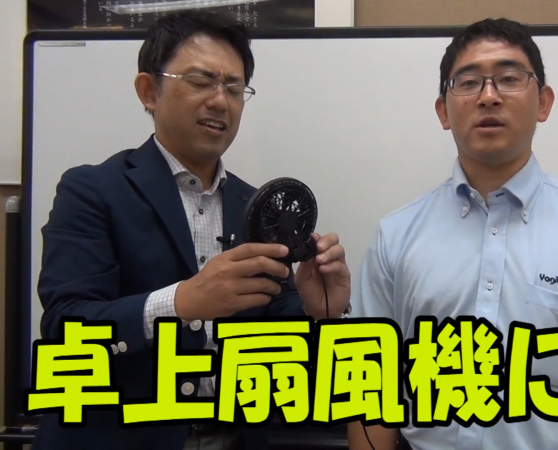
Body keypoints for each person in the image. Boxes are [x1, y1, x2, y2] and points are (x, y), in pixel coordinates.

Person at [32, 10, 351, 450]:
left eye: (234, 88)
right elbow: (65, 326)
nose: (220, 101)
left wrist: (320, 312)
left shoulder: (257, 207)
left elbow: (281, 338)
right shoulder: (92, 190)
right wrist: (182, 302)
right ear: (150, 91)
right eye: (201, 81)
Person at [347, 18, 558, 450]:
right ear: (443, 111)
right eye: (468, 82)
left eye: (509, 78)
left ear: (543, 103)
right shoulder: (396, 236)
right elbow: (372, 386)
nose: (488, 96)